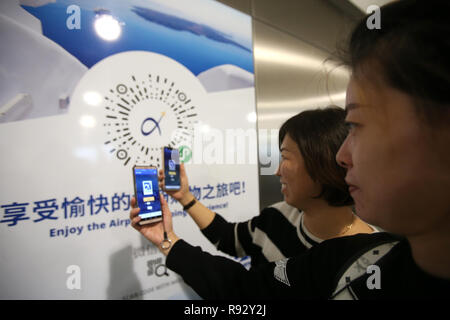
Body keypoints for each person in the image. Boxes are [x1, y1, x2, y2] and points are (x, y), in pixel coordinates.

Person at [130, 0, 450, 299]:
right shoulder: (344, 257)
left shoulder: (356, 254)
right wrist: (177, 214)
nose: (344, 156)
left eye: (358, 125)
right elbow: (242, 277)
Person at [151, 107, 375, 269]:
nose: (277, 172)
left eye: (285, 157)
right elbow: (228, 238)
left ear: (323, 163)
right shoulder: (278, 216)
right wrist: (185, 197)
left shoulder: (368, 259)